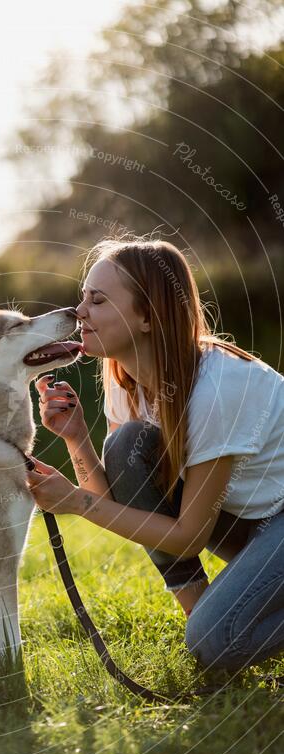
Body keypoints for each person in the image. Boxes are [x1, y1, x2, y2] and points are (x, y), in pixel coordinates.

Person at [25, 237, 284, 673]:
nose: (80, 312)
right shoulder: (125, 380)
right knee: (124, 446)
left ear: (147, 317)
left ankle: (214, 626)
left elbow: (188, 536)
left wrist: (74, 503)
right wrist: (75, 437)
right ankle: (203, 613)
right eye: (82, 298)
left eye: (98, 300)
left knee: (215, 642)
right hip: (256, 521)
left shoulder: (218, 387)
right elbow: (116, 497)